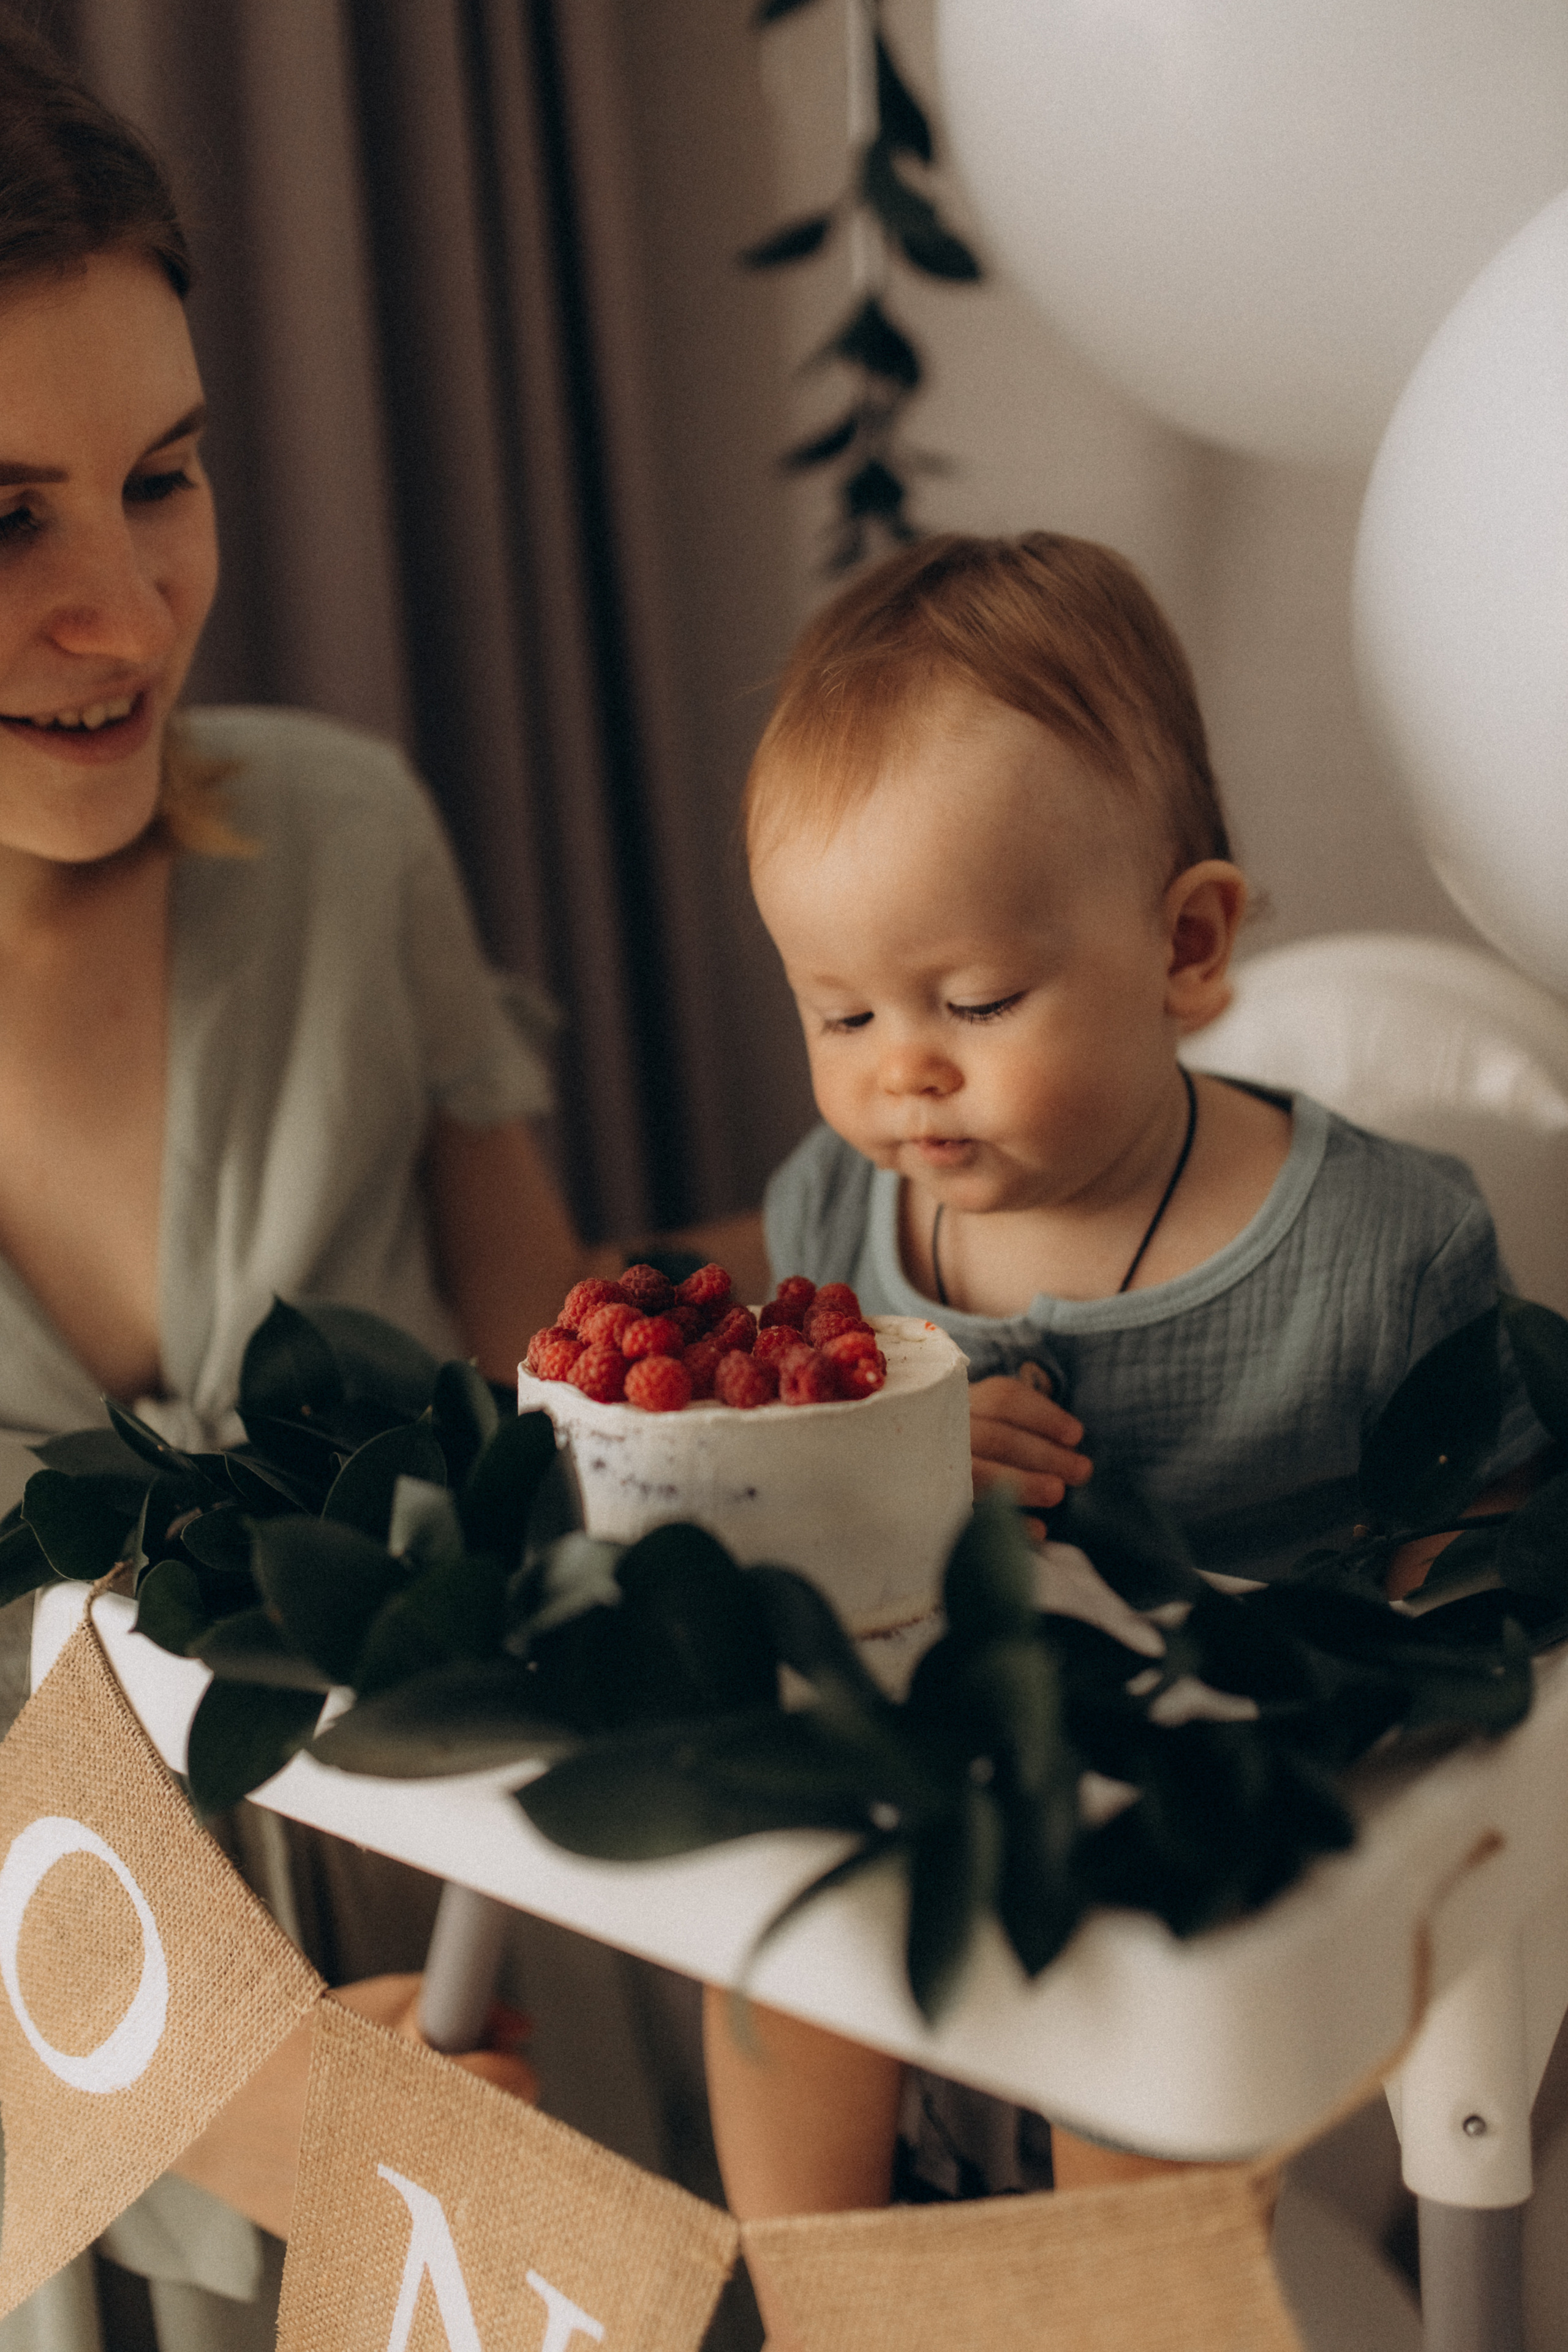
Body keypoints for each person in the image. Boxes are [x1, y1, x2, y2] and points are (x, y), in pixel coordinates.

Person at [0, 24, 763, 2350]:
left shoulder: (347, 842)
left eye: (171, 475)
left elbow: (560, 1387)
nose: (126, 616)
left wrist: (889, 1279)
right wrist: (227, 2104)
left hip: (480, 1960)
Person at [703, 531, 1550, 2343]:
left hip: (1209, 1813)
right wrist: (865, 1466)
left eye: (974, 1004)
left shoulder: (1381, 1248)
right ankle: (818, 2300)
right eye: (838, 1013)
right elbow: (783, 1504)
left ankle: (1111, 2319)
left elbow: (1473, 1576)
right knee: (774, 1937)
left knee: (1128, 2009)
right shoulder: (835, 1223)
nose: (897, 1074)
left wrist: (1386, 1700)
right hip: (917, 1773)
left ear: (1186, 945)